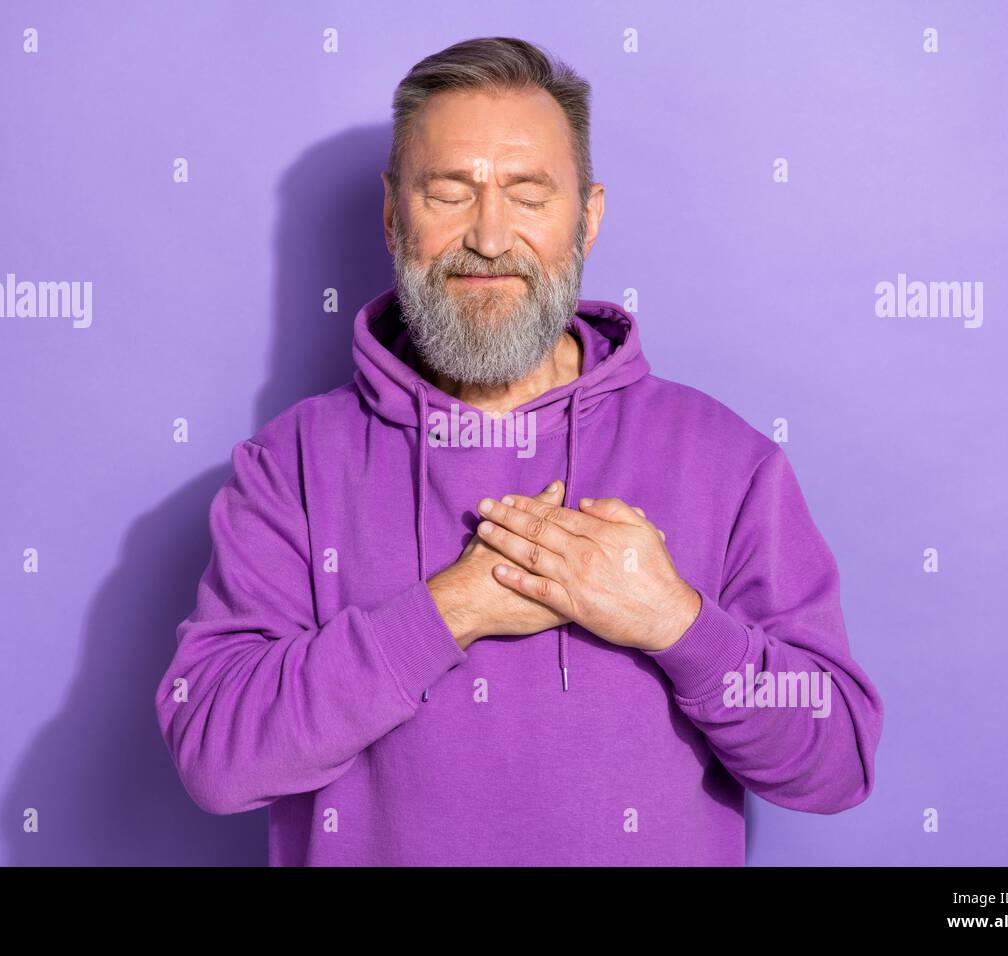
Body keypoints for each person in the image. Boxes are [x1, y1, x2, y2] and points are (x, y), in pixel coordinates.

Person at [154, 35, 883, 865]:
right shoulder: (290, 465)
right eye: (451, 192)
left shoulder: (729, 460)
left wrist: (676, 622)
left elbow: (835, 763)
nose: (490, 238)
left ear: (590, 215)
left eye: (528, 194)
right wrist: (453, 609)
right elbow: (215, 757)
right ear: (395, 215)